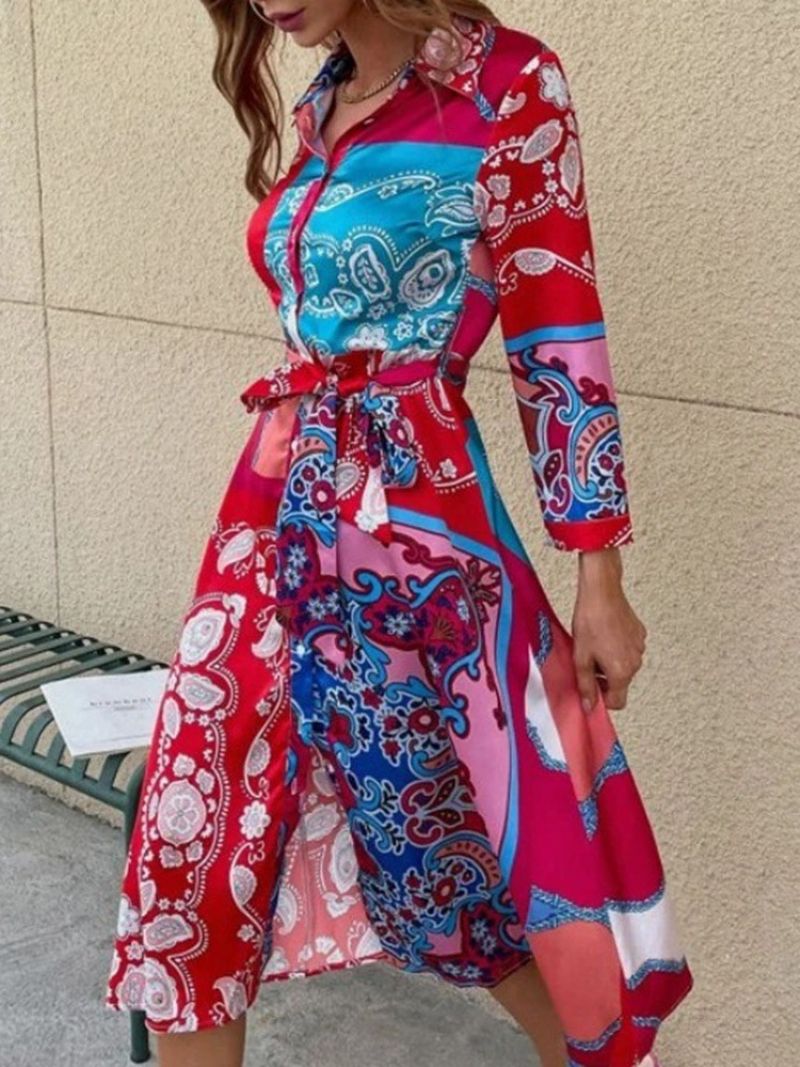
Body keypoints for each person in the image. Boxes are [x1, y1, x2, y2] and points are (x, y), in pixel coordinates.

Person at [103, 2, 693, 1065]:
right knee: (192, 836)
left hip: (418, 531)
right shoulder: (323, 97)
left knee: (468, 850)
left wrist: (597, 572)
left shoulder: (508, 86)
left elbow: (558, 333)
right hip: (272, 518)